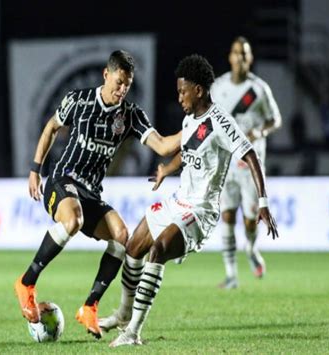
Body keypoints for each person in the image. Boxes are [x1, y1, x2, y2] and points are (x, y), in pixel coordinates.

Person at [98, 54, 278, 347]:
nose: (179, 96)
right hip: (178, 201)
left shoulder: (221, 121)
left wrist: (263, 202)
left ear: (198, 90)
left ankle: (133, 332)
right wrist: (166, 170)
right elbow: (188, 148)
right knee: (134, 246)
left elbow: (250, 154)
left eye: (183, 91)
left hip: (200, 211)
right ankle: (122, 313)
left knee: (157, 251)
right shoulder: (191, 119)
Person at [13, 50, 181, 339]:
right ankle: (26, 283)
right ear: (106, 74)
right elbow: (51, 127)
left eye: (127, 84)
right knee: (73, 220)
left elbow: (164, 146)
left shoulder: (130, 115)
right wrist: (34, 169)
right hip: (61, 180)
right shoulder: (78, 100)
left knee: (121, 236)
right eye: (118, 82)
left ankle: (89, 306)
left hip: (90, 192)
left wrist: (192, 128)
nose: (122, 89)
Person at [210, 37, 281, 288]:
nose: (240, 57)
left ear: (250, 59)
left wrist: (260, 132)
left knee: (251, 220)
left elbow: (275, 119)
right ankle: (231, 275)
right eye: (236, 52)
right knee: (227, 216)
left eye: (245, 53)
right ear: (230, 56)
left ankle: (250, 250)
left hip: (250, 165)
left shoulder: (259, 89)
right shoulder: (217, 87)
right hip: (226, 163)